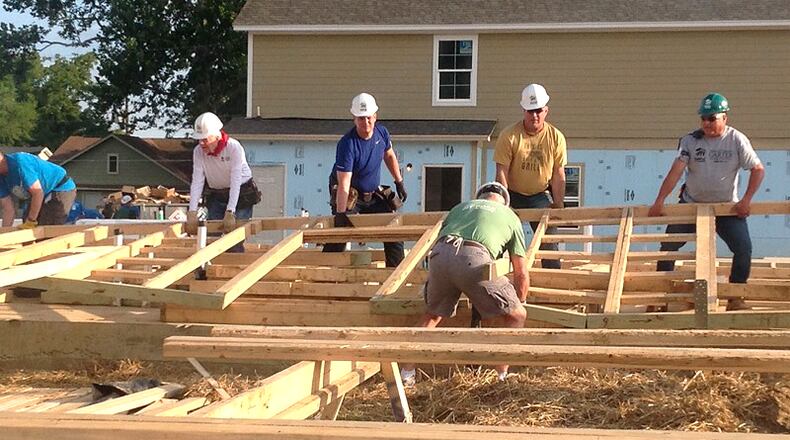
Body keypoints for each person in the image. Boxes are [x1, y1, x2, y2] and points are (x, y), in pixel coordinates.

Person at [400, 182, 529, 386]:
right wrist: (519, 300)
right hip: (474, 258)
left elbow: (441, 240)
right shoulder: (510, 216)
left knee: (432, 315)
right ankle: (501, 378)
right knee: (517, 315)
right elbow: (520, 272)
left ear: (479, 198)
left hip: (440, 255)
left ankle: (406, 374)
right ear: (504, 202)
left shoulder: (459, 208)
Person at [648, 92, 765, 311]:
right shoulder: (691, 140)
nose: (706, 123)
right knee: (668, 248)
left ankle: (735, 298)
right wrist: (660, 200)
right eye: (703, 118)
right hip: (691, 204)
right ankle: (660, 299)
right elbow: (675, 172)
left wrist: (746, 200)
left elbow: (757, 170)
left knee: (743, 248)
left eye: (712, 118)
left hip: (725, 207)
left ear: (725, 118)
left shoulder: (736, 140)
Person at [323, 93, 408, 267]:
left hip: (372, 194)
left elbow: (389, 156)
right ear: (354, 119)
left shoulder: (381, 133)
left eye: (368, 118)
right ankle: (324, 271)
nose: (366, 122)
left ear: (375, 116)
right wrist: (340, 213)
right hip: (349, 193)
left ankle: (395, 275)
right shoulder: (348, 144)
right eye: (361, 118)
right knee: (341, 231)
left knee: (393, 230)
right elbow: (344, 182)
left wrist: (399, 182)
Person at [494, 83, 567, 269]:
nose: (534, 115)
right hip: (512, 194)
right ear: (523, 111)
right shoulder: (509, 136)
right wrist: (504, 203)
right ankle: (496, 275)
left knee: (549, 238)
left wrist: (558, 204)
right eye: (530, 111)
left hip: (539, 195)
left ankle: (552, 276)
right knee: (499, 233)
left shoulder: (555, 137)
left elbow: (558, 174)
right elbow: (501, 171)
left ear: (546, 111)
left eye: (538, 110)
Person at [185, 112, 260, 252]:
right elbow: (197, 182)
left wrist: (231, 211)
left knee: (234, 238)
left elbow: (236, 180)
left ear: (216, 136)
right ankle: (213, 265)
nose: (201, 143)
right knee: (212, 238)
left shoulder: (233, 147)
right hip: (217, 195)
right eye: (199, 139)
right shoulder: (198, 152)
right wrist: (192, 212)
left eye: (205, 139)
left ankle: (235, 264)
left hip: (241, 195)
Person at [0, 151, 76, 228]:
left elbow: (38, 192)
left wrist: (31, 221)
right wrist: (4, 232)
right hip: (38, 195)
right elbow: (8, 209)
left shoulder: (21, 162)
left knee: (48, 226)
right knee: (26, 224)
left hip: (59, 187)